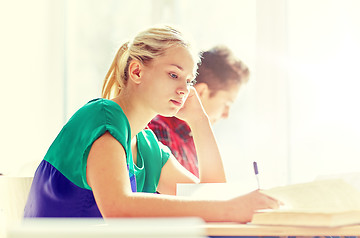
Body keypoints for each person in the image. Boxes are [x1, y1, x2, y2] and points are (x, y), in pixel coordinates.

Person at [24, 25, 280, 222]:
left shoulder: (147, 145)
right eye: (173, 74)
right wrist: (230, 208)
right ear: (136, 71)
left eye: (189, 80)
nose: (184, 89)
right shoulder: (103, 117)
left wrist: (200, 122)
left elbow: (212, 196)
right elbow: (119, 208)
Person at [148, 45, 249, 177]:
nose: (226, 115)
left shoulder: (194, 142)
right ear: (201, 92)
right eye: (226, 103)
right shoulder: (158, 133)